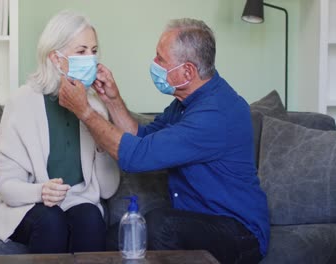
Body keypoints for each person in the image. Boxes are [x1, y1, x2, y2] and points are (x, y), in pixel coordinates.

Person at [58, 18, 270, 263]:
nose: (154, 64)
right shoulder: (186, 102)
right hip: (195, 223)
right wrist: (112, 100)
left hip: (240, 234)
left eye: (160, 59)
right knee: (116, 237)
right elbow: (142, 138)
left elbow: (135, 156)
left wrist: (84, 111)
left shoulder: (215, 114)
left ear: (187, 71)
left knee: (160, 224)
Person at [0, 10, 120, 254]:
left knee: (90, 220)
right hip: (24, 204)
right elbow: (7, 187)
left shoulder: (95, 106)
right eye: (81, 51)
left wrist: (100, 135)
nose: (91, 59)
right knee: (51, 221)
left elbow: (108, 189)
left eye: (94, 51)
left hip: (77, 201)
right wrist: (40, 191)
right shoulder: (22, 102)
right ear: (56, 58)